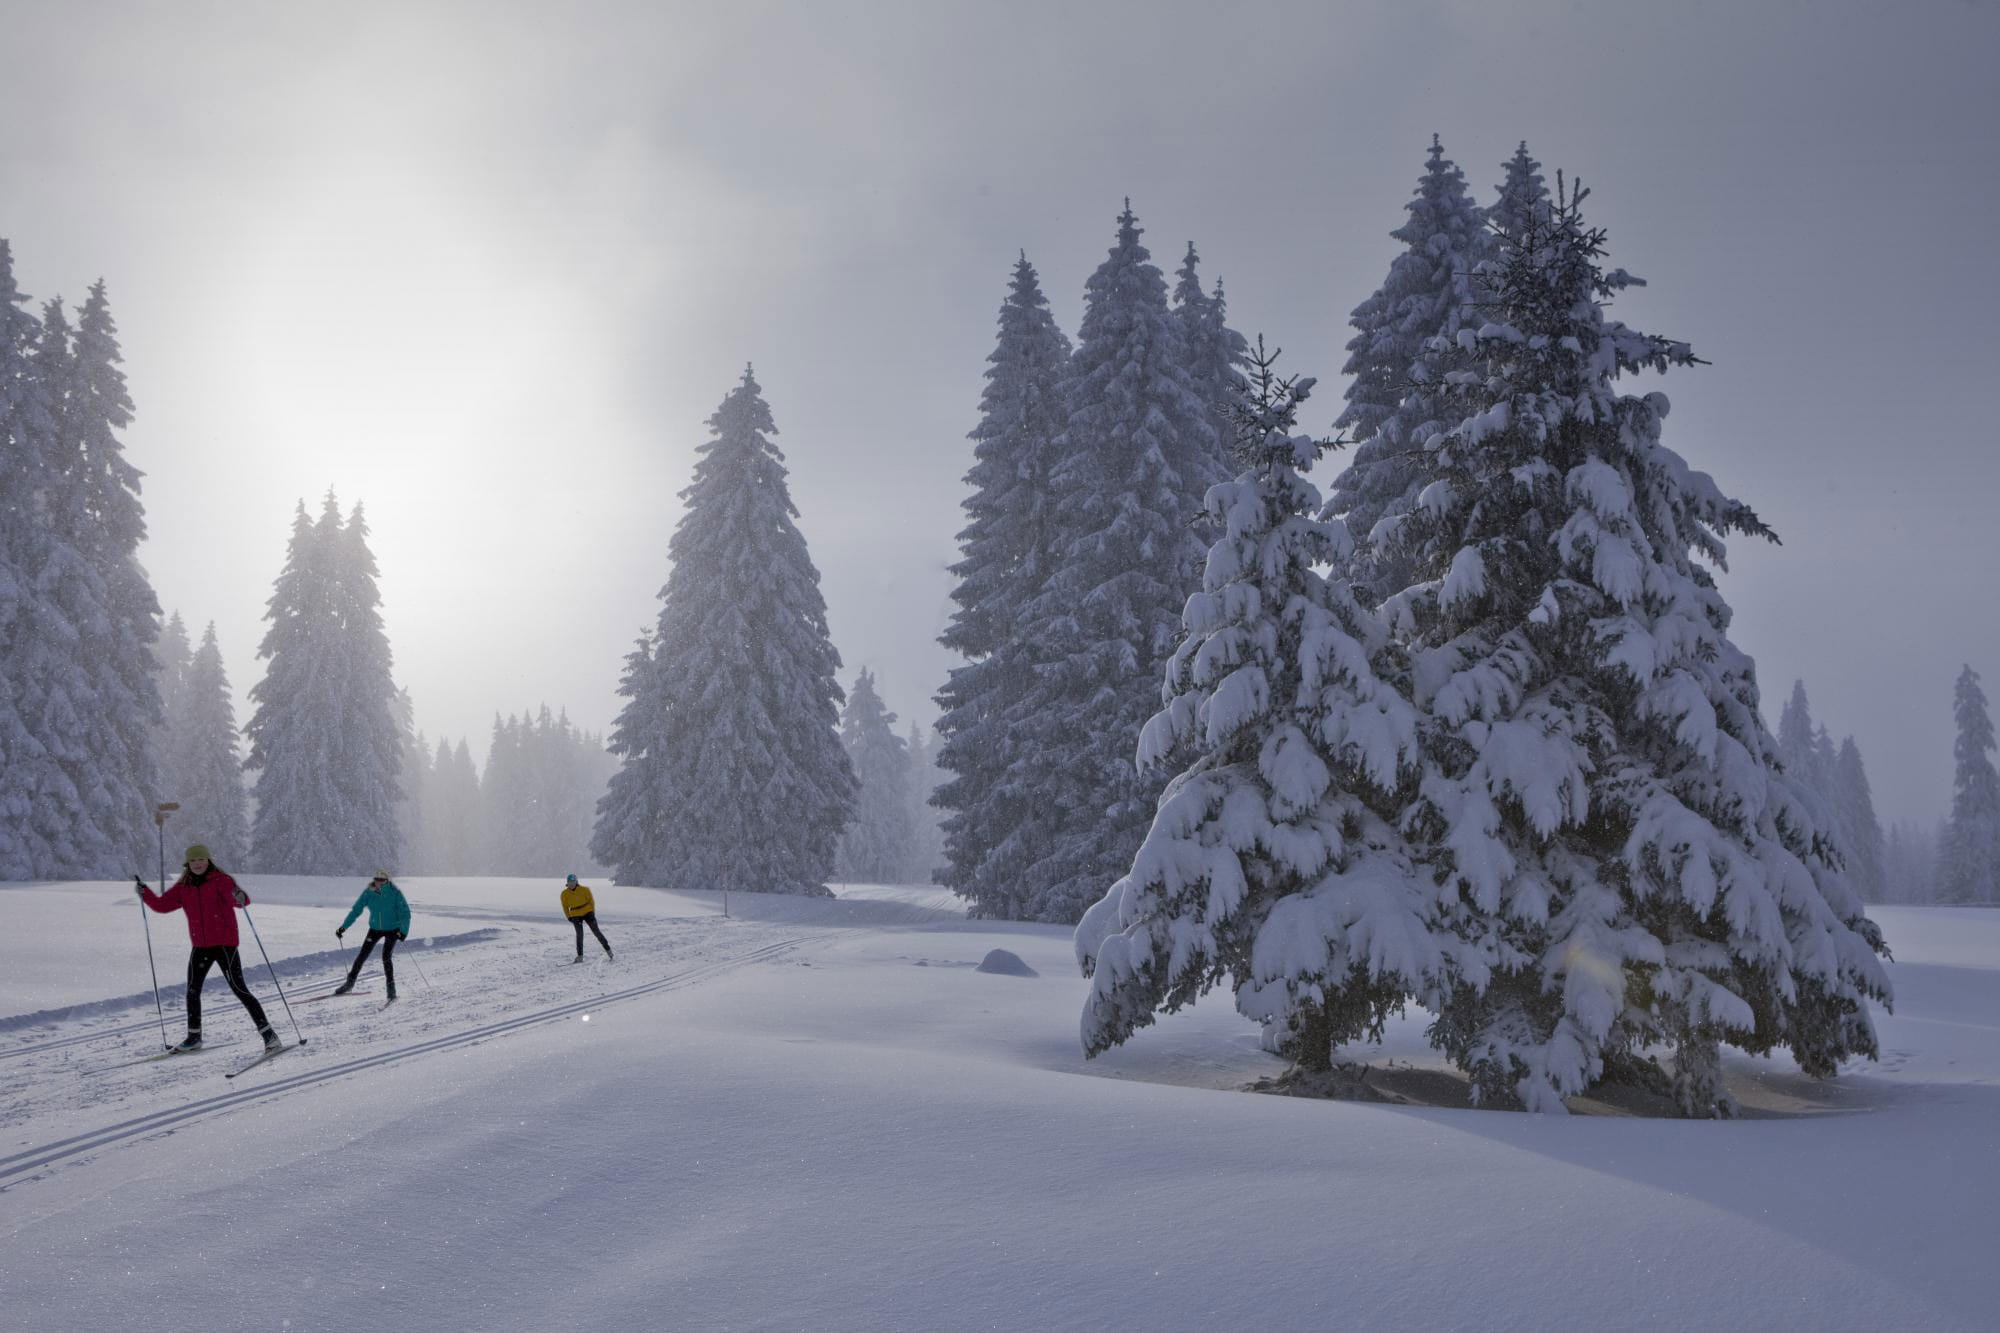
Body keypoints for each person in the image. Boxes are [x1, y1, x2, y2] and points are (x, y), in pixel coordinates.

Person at [136, 844, 280, 1053]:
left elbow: (240, 901)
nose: (197, 864)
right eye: (193, 861)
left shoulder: (221, 881)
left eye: (201, 860)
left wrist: (240, 897)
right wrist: (145, 893)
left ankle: (270, 1036)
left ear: (208, 861)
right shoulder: (184, 887)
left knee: (239, 989)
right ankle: (194, 1037)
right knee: (192, 992)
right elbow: (162, 906)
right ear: (188, 864)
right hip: (201, 947)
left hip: (224, 945)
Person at [333, 871, 411, 1001]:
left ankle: (391, 989)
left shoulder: (395, 893)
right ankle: (349, 983)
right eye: (376, 879)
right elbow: (356, 910)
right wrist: (343, 927)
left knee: (386, 957)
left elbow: (405, 913)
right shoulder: (369, 892)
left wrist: (403, 932)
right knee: (362, 955)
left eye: (381, 880)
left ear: (386, 881)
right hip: (375, 929)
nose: (378, 882)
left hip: (392, 929)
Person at [560, 873, 612, 963]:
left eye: (573, 882)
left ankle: (608, 950)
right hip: (575, 915)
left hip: (588, 912)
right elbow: (565, 907)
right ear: (567, 883)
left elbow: (591, 901)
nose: (571, 884)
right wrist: (569, 917)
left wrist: (592, 913)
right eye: (569, 882)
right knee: (579, 935)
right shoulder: (564, 894)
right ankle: (580, 956)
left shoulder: (584, 890)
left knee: (596, 932)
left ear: (576, 882)